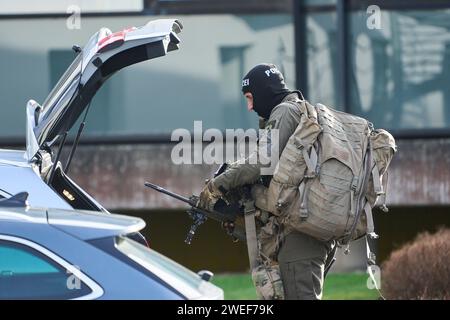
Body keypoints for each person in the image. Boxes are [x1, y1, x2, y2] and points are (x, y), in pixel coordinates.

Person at [198, 63, 335, 300]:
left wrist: (218, 184)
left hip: (301, 238)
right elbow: (283, 183)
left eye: (250, 98)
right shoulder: (298, 112)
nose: (250, 107)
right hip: (299, 232)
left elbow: (262, 161)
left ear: (264, 91)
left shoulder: (285, 112)